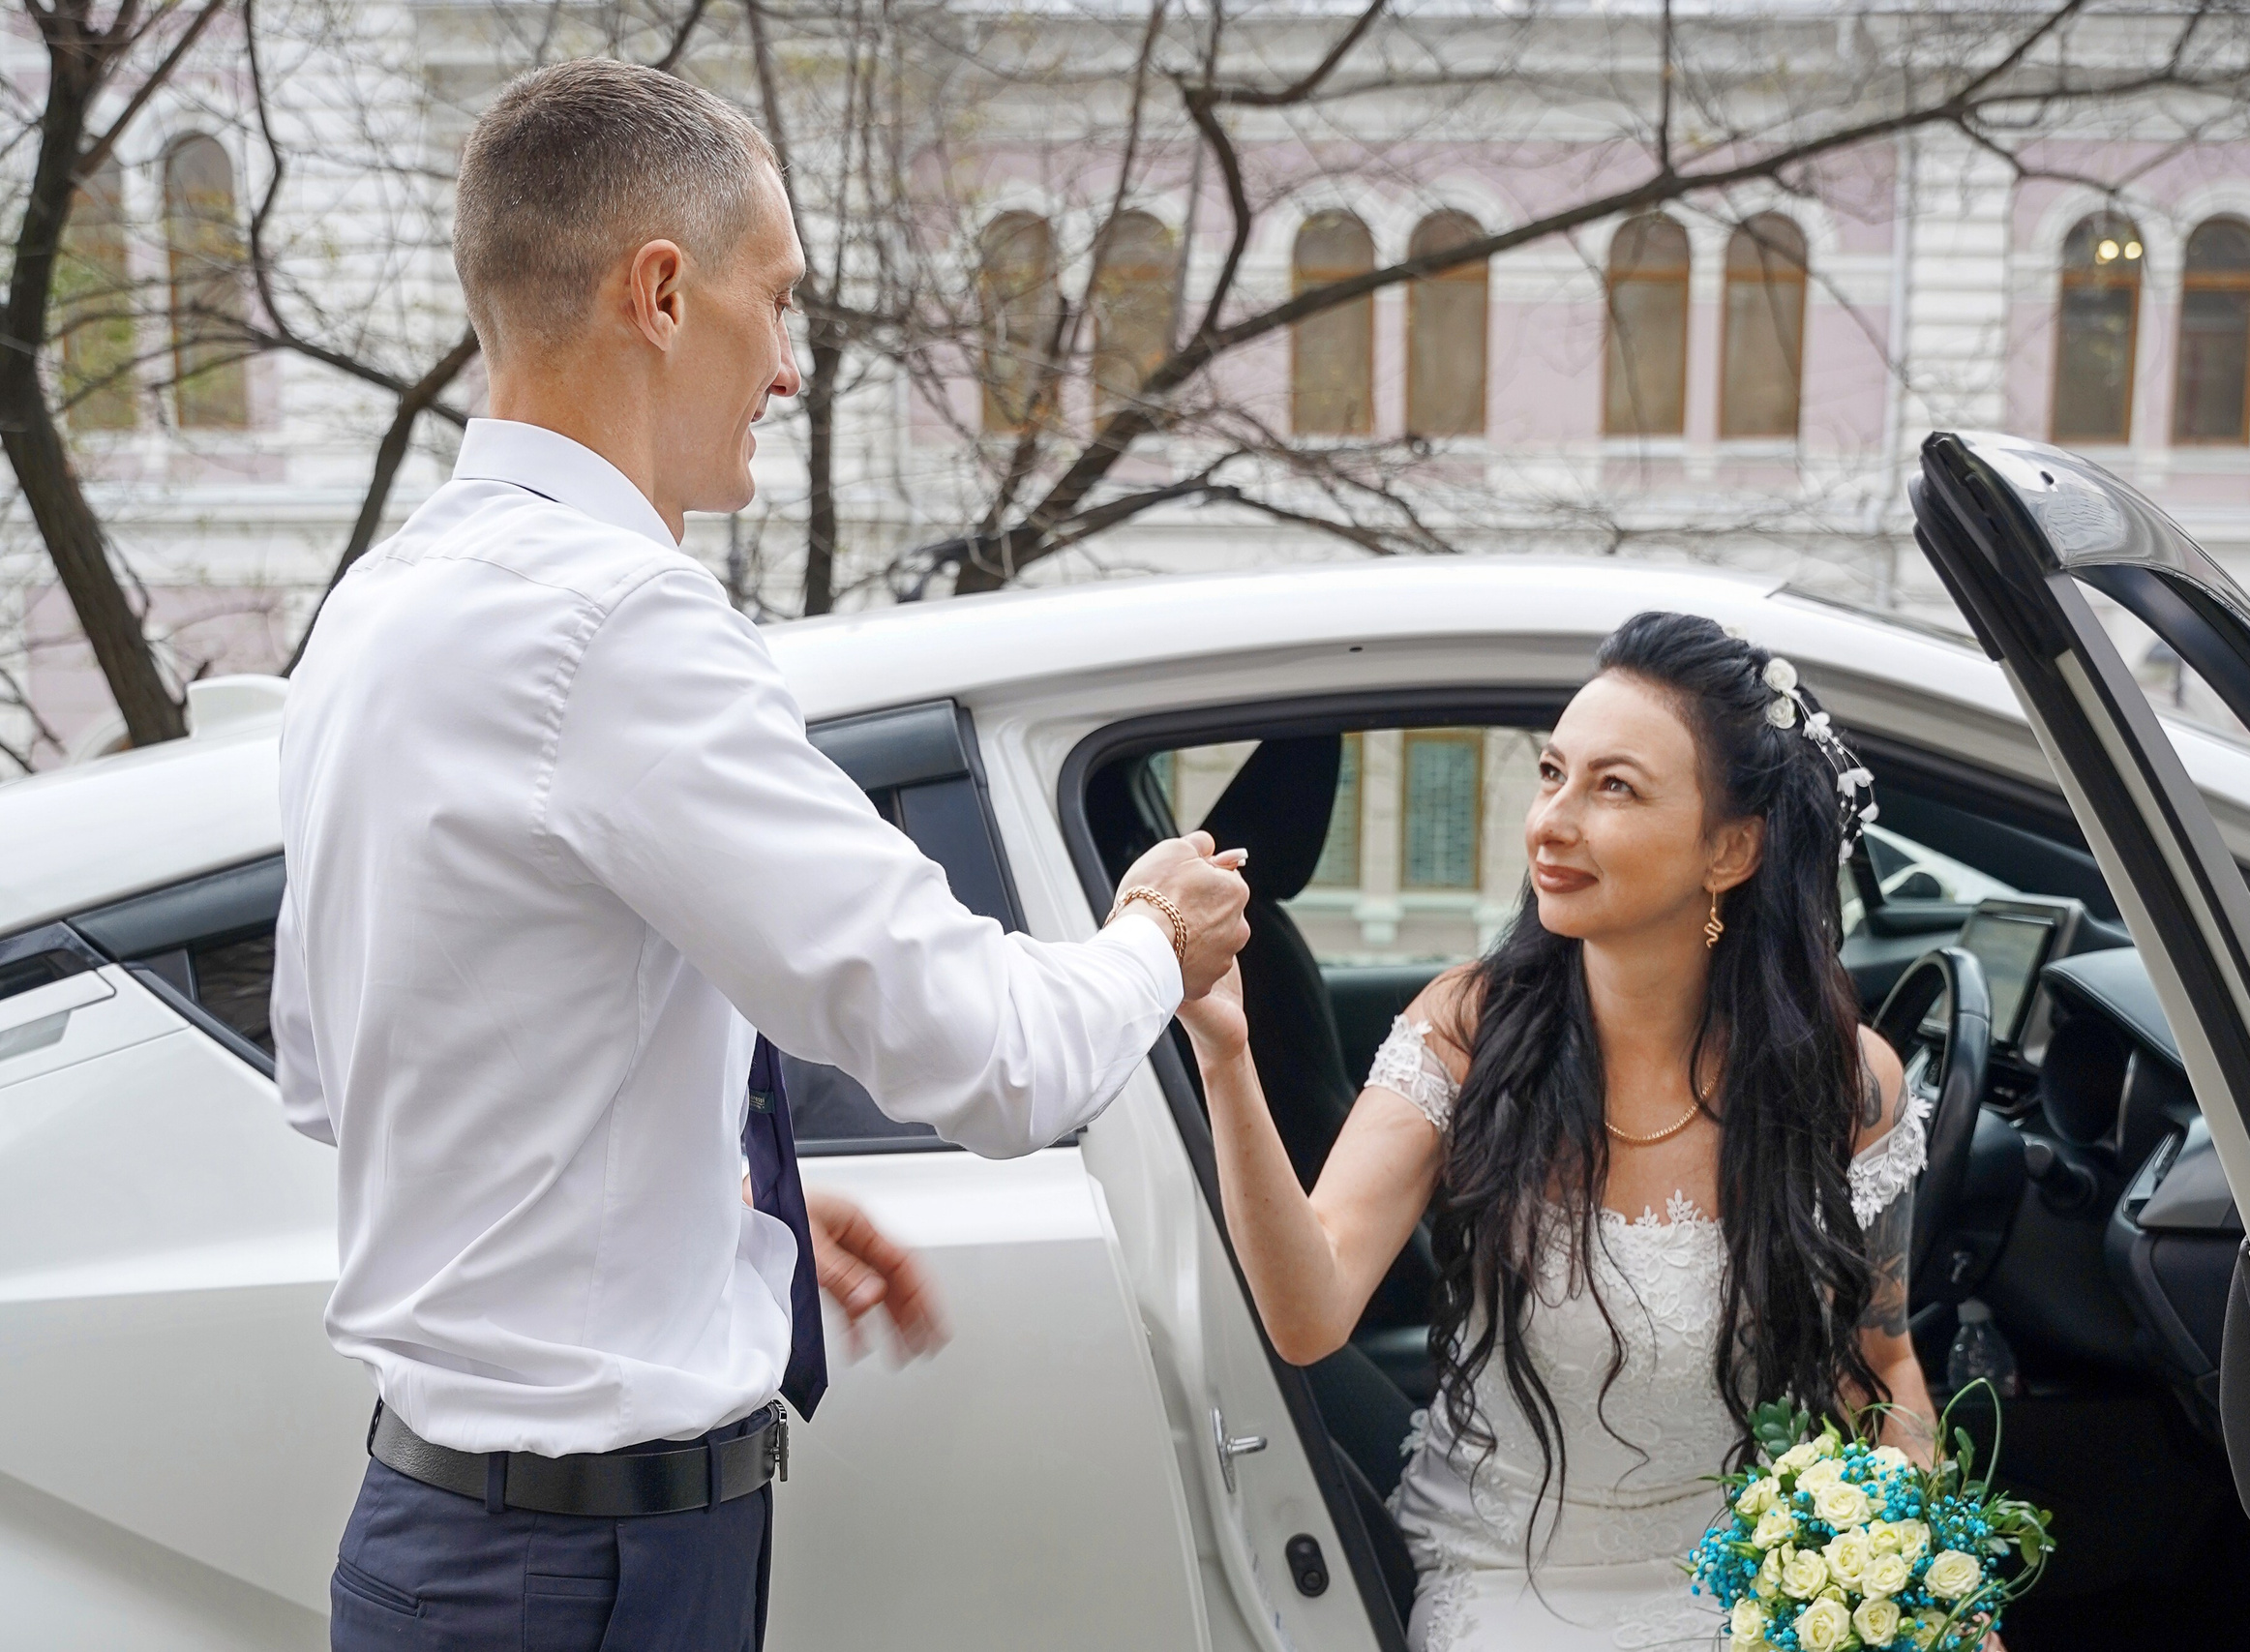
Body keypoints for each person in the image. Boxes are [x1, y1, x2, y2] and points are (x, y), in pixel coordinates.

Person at [272, 59, 1249, 1652]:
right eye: (776, 301)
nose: (788, 368)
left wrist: (719, 1197)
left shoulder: (378, 610)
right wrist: (1153, 928)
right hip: (589, 1580)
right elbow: (996, 1056)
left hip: (429, 1539)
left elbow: (338, 1072)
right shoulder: (620, 623)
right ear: (662, 292)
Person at [1177, 612, 1935, 1650]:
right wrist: (1226, 1057)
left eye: (1612, 787)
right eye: (1550, 774)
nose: (1550, 821)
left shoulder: (1842, 1086)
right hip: (1505, 1581)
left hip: (1744, 1582)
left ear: (1730, 848)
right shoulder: (1466, 1029)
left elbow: (1879, 1367)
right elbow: (1308, 1315)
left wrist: (1925, 1594)